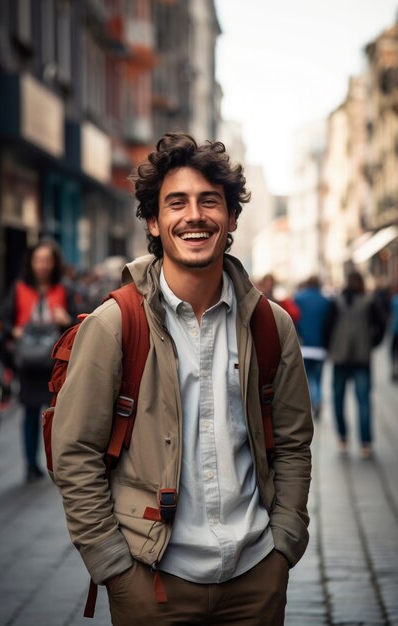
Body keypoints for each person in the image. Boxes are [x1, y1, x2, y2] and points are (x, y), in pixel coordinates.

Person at [52, 133, 313, 625]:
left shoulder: (271, 325)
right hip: (152, 585)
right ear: (154, 220)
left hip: (256, 578)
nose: (194, 216)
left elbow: (295, 444)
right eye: (176, 203)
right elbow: (74, 452)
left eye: (209, 201)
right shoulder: (115, 324)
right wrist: (112, 565)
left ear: (231, 218)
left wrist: (284, 543)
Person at [1, 238, 76, 482]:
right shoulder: (19, 288)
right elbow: (5, 320)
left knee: (58, 415)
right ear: (31, 262)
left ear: (54, 263)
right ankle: (31, 466)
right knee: (30, 414)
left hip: (55, 363)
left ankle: (58, 464)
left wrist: (66, 319)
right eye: (38, 260)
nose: (42, 265)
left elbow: (82, 322)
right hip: (29, 363)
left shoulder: (64, 289)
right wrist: (14, 331)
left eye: (47, 260)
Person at [324, 271, 385, 459]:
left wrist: (331, 347)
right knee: (364, 401)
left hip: (340, 358)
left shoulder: (337, 302)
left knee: (338, 399)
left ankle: (343, 438)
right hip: (361, 358)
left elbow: (327, 327)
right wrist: (370, 343)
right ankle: (365, 443)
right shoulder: (369, 302)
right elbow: (381, 326)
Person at [294, 276, 331, 419]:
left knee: (308, 377)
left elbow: (294, 320)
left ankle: (313, 402)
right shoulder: (326, 300)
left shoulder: (299, 299)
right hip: (320, 347)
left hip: (304, 346)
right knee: (319, 377)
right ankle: (318, 400)